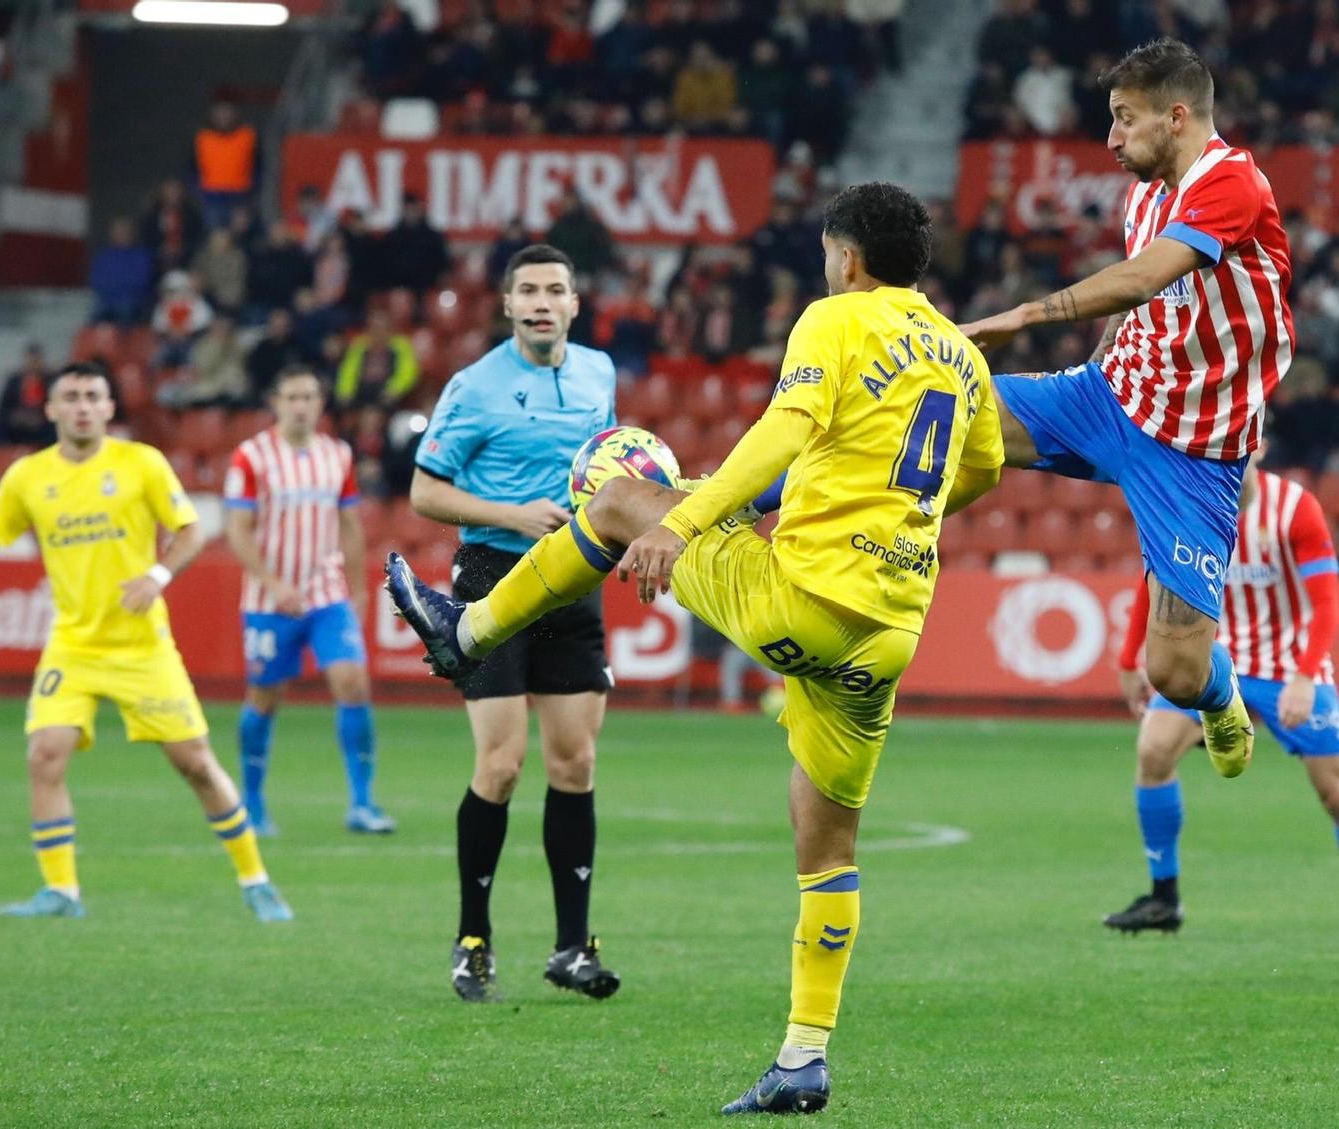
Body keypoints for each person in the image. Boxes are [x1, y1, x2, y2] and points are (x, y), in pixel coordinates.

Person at [387, 186, 1002, 1113]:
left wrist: (685, 518)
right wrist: (882, 512)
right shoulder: (960, 352)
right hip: (889, 632)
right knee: (825, 839)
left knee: (622, 500)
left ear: (844, 256)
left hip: (807, 597)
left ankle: (463, 629)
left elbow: (782, 433)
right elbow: (984, 468)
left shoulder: (833, 322)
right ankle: (802, 1057)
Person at [960, 37, 1295, 781]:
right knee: (940, 406)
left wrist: (1018, 318)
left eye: (1123, 119)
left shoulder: (1232, 183)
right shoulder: (1145, 190)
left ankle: (1218, 691)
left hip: (1193, 455)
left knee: (1172, 672)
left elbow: (1144, 278)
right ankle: (746, 501)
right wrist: (1101, 354)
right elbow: (1144, 306)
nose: (1110, 138)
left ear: (1177, 116)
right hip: (1107, 399)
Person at [0, 361, 292, 923]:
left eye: (94, 395)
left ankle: (255, 879)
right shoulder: (27, 477)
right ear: (52, 409)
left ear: (110, 408)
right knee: (44, 756)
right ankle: (61, 892)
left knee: (196, 765)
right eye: (72, 396)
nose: (83, 405)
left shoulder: (142, 464)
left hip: (142, 647)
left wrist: (157, 578)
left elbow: (190, 531)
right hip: (73, 645)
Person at [401, 244, 622, 1005]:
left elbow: (607, 462)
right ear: (506, 304)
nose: (540, 300)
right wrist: (510, 514)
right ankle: (472, 940)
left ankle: (572, 947)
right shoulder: (474, 387)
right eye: (527, 289)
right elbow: (425, 492)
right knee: (500, 766)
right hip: (494, 579)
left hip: (574, 576)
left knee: (576, 763)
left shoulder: (599, 373)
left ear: (573, 304)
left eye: (555, 289)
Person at [1110, 445, 1339, 943]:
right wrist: (1127, 657)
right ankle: (1164, 897)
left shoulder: (1295, 509)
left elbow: (1327, 605)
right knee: (1152, 751)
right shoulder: (1191, 505)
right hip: (1215, 662)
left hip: (1287, 665)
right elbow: (1154, 583)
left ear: (1259, 448)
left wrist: (1306, 676)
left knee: (1338, 795)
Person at [222, 365, 392, 836]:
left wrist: (357, 587)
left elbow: (351, 525)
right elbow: (237, 531)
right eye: (292, 397)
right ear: (275, 402)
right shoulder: (250, 458)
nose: (301, 406)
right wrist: (272, 583)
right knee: (265, 697)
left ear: (321, 404)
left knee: (353, 682)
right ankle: (253, 806)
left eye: (309, 397)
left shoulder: (337, 455)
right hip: (267, 599)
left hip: (325, 593)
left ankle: (362, 803)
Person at [193, 101, 257, 231]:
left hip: (241, 194)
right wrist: (197, 190)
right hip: (212, 195)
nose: (224, 117)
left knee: (241, 230)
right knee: (214, 232)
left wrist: (253, 189)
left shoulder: (247, 135)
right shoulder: (203, 137)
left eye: (227, 113)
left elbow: (258, 165)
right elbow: (192, 167)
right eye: (220, 113)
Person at [0, 343, 58, 450]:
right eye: (30, 361)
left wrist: (41, 417)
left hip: (41, 424)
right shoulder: (14, 381)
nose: (33, 364)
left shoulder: (50, 380)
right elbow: (3, 407)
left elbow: (55, 405)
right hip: (18, 424)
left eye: (36, 361)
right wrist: (15, 416)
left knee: (56, 430)